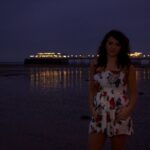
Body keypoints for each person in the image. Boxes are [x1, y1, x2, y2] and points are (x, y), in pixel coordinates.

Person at [87, 29, 138, 150]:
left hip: (120, 114)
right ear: (105, 44)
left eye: (117, 44)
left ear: (122, 47)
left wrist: (127, 111)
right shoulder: (95, 65)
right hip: (99, 113)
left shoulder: (128, 68)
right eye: (110, 43)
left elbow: (134, 94)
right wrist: (92, 109)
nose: (113, 47)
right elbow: (91, 91)